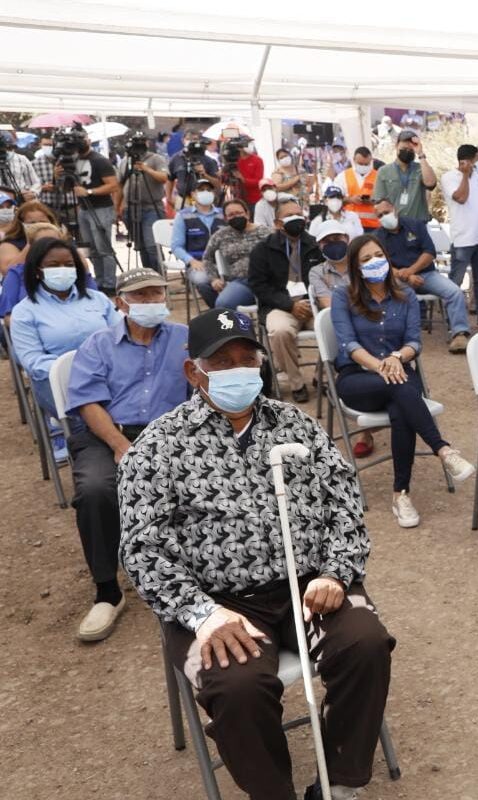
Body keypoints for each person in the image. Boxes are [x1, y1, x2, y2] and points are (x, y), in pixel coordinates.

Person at [118, 307, 395, 800]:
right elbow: (142, 547)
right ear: (193, 372)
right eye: (222, 363)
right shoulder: (157, 447)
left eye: (248, 359)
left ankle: (339, 784)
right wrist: (202, 615)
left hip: (308, 584)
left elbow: (346, 505)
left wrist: (336, 572)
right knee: (238, 689)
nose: (239, 371)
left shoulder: (298, 426)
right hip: (218, 603)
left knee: (366, 644)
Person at [63, 267, 188, 642]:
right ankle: (107, 591)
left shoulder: (185, 339)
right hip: (108, 435)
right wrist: (121, 446)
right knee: (96, 489)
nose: (151, 301)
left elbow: (202, 388)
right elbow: (88, 403)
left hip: (169, 432)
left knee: (204, 475)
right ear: (120, 302)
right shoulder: (97, 344)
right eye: (140, 295)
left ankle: (200, 571)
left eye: (156, 293)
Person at [332, 234, 475, 527]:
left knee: (402, 409)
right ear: (356, 267)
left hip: (399, 373)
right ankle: (444, 450)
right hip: (358, 378)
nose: (374, 262)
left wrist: (397, 357)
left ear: (387, 258)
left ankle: (401, 495)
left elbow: (414, 342)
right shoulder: (343, 295)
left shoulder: (406, 294)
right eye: (366, 259)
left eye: (378, 255)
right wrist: (381, 366)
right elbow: (348, 344)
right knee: (401, 387)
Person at [10, 238, 119, 461]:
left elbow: (120, 336)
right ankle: (99, 458)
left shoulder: (98, 300)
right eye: (53, 265)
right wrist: (79, 371)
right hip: (60, 382)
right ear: (37, 270)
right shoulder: (25, 312)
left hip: (108, 374)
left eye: (69, 264)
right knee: (91, 423)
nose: (63, 270)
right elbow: (33, 361)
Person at [310, 221, 377, 459]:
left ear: (347, 239)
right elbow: (329, 305)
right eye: (327, 241)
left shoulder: (364, 262)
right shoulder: (317, 272)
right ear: (320, 245)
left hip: (369, 324)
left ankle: (389, 410)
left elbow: (379, 296)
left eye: (338, 238)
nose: (334, 244)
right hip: (340, 329)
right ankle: (365, 432)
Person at [373, 199, 471, 354]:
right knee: (392, 294)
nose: (384, 217)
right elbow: (382, 264)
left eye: (386, 212)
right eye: (380, 215)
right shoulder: (378, 237)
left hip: (426, 274)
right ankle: (396, 338)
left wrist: (411, 271)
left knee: (454, 292)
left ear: (395, 210)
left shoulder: (415, 225)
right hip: (398, 278)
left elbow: (429, 252)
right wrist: (405, 276)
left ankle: (459, 334)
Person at [248, 200, 322, 403]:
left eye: (299, 214)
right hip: (279, 306)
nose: (296, 218)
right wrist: (289, 305)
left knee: (334, 325)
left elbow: (325, 278)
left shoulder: (316, 245)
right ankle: (296, 383)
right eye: (290, 215)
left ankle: (321, 377)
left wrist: (312, 303)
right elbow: (258, 286)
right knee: (280, 331)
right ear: (278, 223)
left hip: (313, 305)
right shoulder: (262, 250)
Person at [440, 144, 478, 327]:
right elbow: (461, 198)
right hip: (463, 237)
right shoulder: (449, 177)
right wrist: (464, 175)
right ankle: (452, 317)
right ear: (467, 160)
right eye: (477, 159)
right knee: (456, 280)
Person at [67, 127, 122, 292]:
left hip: (101, 208)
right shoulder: (73, 160)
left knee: (104, 248)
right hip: (83, 209)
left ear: (88, 140)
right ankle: (99, 281)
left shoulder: (100, 160)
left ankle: (110, 283)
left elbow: (113, 185)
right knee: (91, 250)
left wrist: (89, 192)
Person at [0, 222, 83, 319]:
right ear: (30, 247)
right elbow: (8, 317)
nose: (49, 247)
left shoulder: (75, 270)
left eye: (54, 242)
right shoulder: (16, 274)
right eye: (42, 243)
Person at [115, 133, 169, 272]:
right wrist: (117, 207)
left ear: (147, 143)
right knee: (141, 246)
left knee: (152, 246)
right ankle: (149, 274)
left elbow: (164, 178)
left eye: (141, 142)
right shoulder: (125, 161)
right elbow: (119, 185)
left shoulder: (156, 158)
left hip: (151, 207)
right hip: (131, 209)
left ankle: (160, 275)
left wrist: (146, 169)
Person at [202, 199, 269, 309]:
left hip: (267, 280)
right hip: (241, 282)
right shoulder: (220, 236)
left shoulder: (265, 232)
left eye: (239, 213)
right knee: (223, 304)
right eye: (231, 215)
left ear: (247, 214)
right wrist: (214, 279)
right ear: (225, 218)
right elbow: (207, 258)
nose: (236, 217)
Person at [171, 178, 225, 309]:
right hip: (199, 263)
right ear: (193, 194)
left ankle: (228, 306)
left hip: (224, 262)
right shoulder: (183, 216)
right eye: (201, 190)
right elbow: (176, 246)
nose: (205, 192)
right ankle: (221, 311)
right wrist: (191, 261)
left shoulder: (223, 214)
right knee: (202, 281)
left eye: (209, 190)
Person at [371, 130, 437, 223]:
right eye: (404, 148)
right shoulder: (384, 171)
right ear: (396, 146)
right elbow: (379, 201)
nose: (407, 151)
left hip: (418, 224)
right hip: (395, 224)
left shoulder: (421, 168)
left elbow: (431, 183)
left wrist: (421, 154)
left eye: (411, 149)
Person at [0, 199, 61, 276]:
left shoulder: (61, 241)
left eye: (42, 222)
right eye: (32, 223)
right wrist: (31, 244)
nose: (38, 225)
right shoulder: (10, 244)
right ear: (22, 224)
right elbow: (7, 271)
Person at [168, 130, 221, 210]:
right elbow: (169, 178)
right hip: (183, 199)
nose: (192, 141)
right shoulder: (176, 158)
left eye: (195, 139)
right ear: (183, 140)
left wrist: (204, 174)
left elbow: (218, 184)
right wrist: (169, 197)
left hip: (204, 199)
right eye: (189, 139)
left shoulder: (209, 161)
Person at [33, 133, 76, 227]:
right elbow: (32, 185)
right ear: (40, 145)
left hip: (71, 205)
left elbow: (77, 182)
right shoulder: (35, 163)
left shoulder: (71, 160)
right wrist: (43, 187)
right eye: (45, 145)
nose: (48, 147)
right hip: (48, 206)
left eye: (50, 145)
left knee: (75, 232)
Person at [336, 146, 380, 232]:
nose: (363, 166)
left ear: (371, 161)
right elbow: (335, 199)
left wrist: (373, 201)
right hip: (350, 224)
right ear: (354, 160)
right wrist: (350, 200)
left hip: (373, 226)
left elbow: (386, 199)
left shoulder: (378, 176)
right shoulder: (343, 176)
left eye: (366, 164)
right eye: (360, 164)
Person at [0, 132, 41, 201]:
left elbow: (35, 183)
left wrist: (32, 192)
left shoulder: (21, 159)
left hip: (21, 202)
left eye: (6, 149)